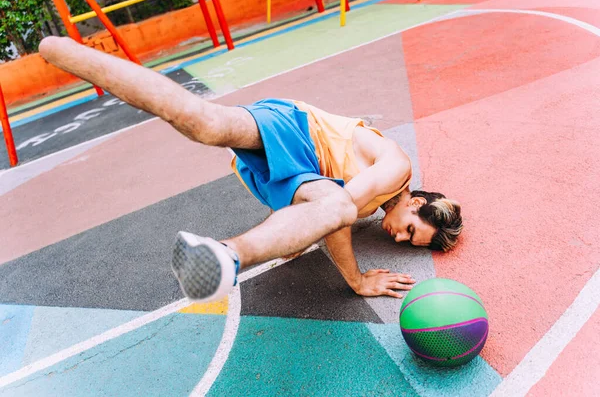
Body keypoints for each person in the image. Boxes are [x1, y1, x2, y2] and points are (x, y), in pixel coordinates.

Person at [39, 36, 463, 304]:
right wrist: (355, 280)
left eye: (407, 243)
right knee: (206, 123)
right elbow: (336, 212)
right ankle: (74, 54)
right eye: (411, 228)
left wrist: (300, 231)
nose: (399, 236)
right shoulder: (396, 168)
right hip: (295, 127)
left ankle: (220, 256)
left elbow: (324, 215)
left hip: (300, 176)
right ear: (419, 201)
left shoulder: (375, 207)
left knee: (331, 209)